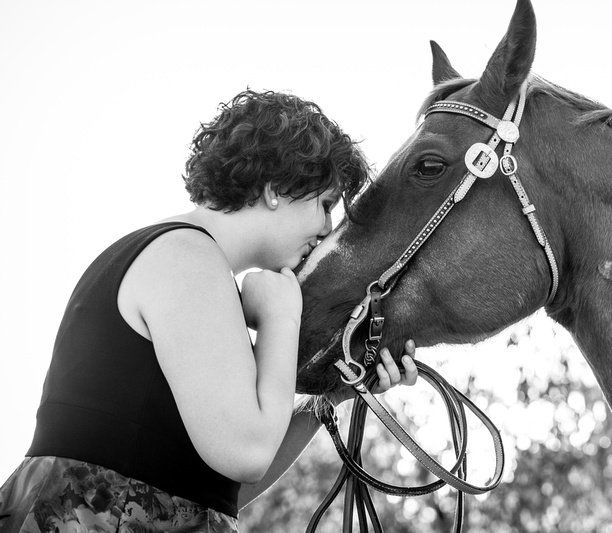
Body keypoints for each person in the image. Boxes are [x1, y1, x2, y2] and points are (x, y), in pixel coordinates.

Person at [0, 89, 418, 532]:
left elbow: (219, 491)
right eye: (327, 204)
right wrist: (281, 317)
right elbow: (248, 453)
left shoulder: (191, 264)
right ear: (278, 188)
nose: (327, 228)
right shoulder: (187, 256)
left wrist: (332, 396)